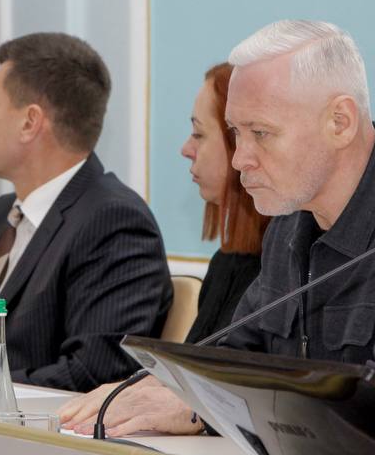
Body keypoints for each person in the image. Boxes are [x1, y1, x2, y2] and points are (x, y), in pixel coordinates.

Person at [67, 21, 375, 455]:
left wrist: (197, 410)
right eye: (236, 133)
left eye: (261, 133)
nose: (240, 160)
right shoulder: (289, 225)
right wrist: (166, 392)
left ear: (340, 122)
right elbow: (234, 361)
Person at [0, 33, 172, 392]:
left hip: (19, 425)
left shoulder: (114, 221)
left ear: (30, 122)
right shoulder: (0, 215)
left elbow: (92, 374)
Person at [59, 62, 268, 435]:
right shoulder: (227, 263)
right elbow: (193, 383)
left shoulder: (287, 267)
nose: (186, 149)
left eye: (199, 134)